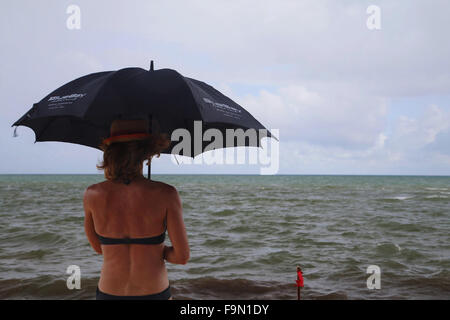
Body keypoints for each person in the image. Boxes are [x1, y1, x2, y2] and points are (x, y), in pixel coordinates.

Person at [83, 118, 190, 300]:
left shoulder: (92, 194)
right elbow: (181, 257)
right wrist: (156, 250)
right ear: (147, 152)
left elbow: (99, 248)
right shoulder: (167, 193)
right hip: (154, 293)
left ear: (109, 152)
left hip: (109, 292)